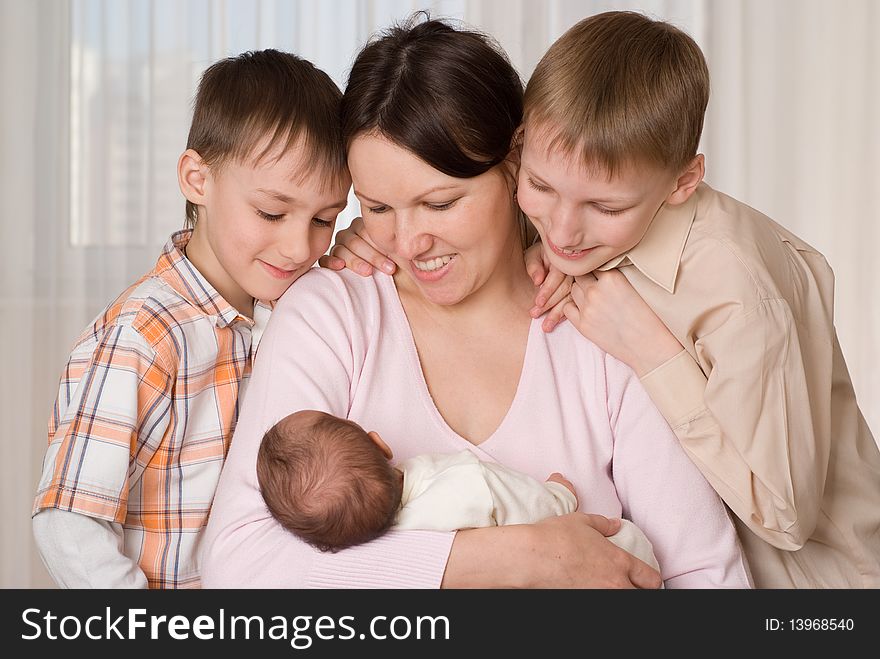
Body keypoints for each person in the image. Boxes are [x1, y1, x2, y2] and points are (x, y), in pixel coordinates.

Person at [328, 11, 880, 588]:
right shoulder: (569, 213)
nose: (562, 233)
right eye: (539, 187)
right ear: (521, 150)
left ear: (682, 183)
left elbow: (787, 518)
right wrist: (376, 227)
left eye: (606, 209)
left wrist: (652, 353)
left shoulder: (735, 293)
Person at [201, 15, 751, 589]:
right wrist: (518, 559)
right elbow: (238, 568)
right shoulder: (331, 313)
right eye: (379, 208)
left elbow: (708, 574)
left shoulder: (604, 325)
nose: (410, 243)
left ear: (516, 163)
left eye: (439, 204)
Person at [31, 49, 351, 588]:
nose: (300, 246)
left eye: (324, 219)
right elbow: (69, 525)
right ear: (197, 179)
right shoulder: (144, 335)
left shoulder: (288, 315)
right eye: (271, 213)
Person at [256, 409, 662, 572]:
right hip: (598, 568)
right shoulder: (466, 482)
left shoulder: (390, 556)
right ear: (379, 443)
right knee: (626, 540)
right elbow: (529, 500)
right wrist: (561, 495)